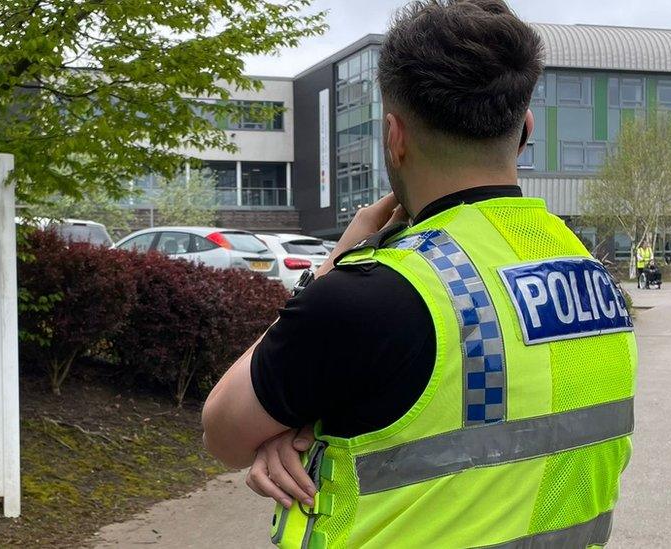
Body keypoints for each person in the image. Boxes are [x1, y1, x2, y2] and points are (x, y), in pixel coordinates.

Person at [202, 1, 637, 547]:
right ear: (525, 128)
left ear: (394, 136)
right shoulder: (593, 278)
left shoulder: (373, 296)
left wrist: (336, 263)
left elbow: (223, 429)